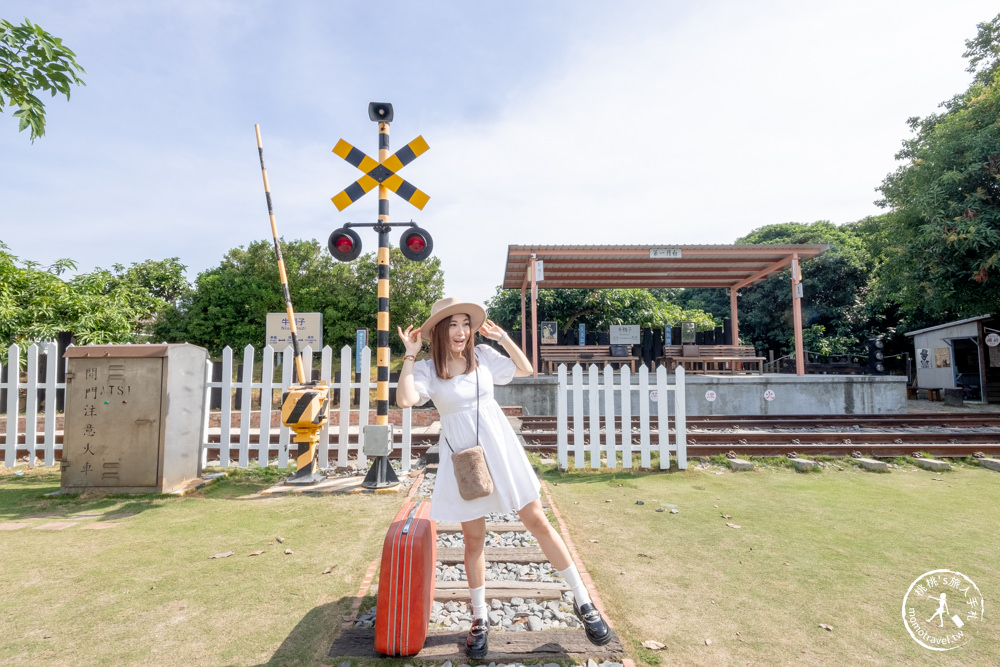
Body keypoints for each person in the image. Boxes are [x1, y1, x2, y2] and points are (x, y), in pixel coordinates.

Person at [396, 297, 611, 659]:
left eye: (466, 323)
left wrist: (504, 338)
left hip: (501, 449)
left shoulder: (482, 355)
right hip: (464, 460)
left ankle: (583, 600)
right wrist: (409, 354)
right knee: (474, 540)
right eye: (452, 324)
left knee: (537, 520)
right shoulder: (429, 370)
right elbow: (404, 401)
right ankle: (480, 618)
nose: (461, 331)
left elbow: (525, 369)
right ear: (438, 330)